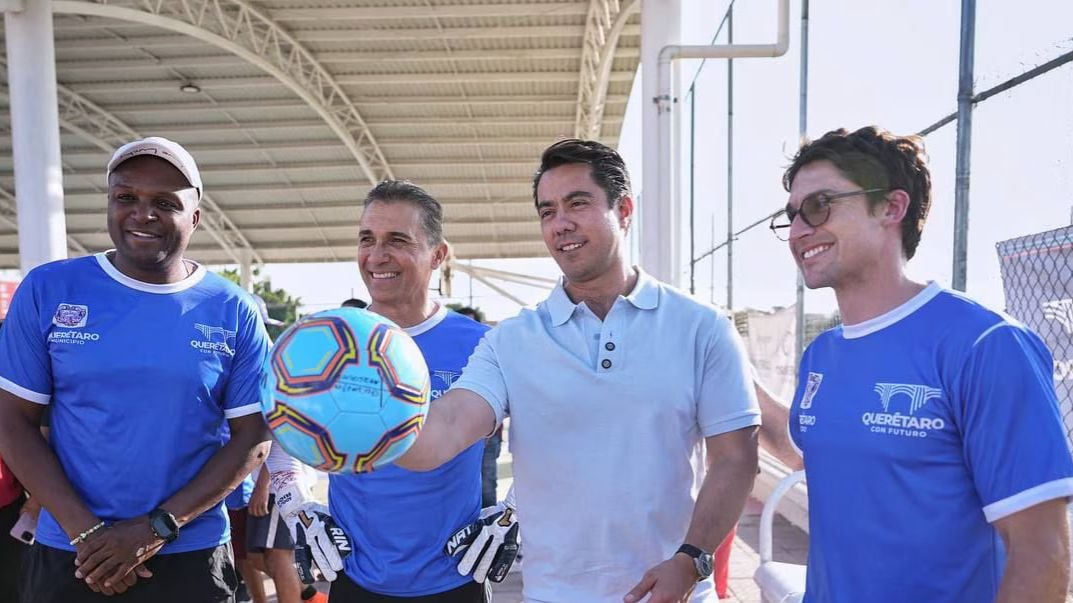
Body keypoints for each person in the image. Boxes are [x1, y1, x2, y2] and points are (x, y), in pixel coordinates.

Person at [382, 139, 760, 603]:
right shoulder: (510, 341)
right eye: (547, 211)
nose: (561, 224)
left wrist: (691, 559)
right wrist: (357, 430)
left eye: (577, 204)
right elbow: (446, 428)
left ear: (623, 209)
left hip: (676, 593)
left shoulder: (701, 327)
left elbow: (737, 459)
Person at [770, 126, 1073, 602]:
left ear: (891, 207)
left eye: (819, 205)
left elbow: (1042, 551)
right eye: (790, 215)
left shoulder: (987, 344)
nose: (798, 230)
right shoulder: (821, 357)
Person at [0, 136, 273, 602]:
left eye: (165, 202)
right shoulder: (49, 289)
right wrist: (88, 535)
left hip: (191, 554)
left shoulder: (234, 309)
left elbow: (253, 437)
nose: (143, 213)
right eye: (126, 197)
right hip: (71, 554)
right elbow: (12, 421)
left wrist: (156, 528)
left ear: (195, 217)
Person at [268, 180, 492, 601]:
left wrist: (516, 511)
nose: (376, 256)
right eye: (366, 239)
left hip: (456, 576)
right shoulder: (323, 339)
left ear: (438, 255)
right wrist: (295, 504)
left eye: (397, 241)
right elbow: (280, 428)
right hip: (356, 576)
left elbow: (547, 434)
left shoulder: (481, 343)